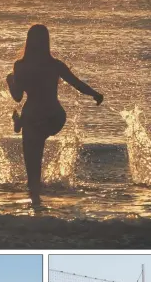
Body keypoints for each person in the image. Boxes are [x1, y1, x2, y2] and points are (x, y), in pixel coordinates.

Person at [7, 24, 103, 205]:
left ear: (28, 41)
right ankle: (38, 208)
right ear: (47, 42)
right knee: (36, 152)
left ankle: (36, 207)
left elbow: (17, 97)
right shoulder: (54, 65)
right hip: (54, 116)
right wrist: (94, 94)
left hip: (33, 116)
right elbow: (77, 83)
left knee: (33, 170)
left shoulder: (20, 66)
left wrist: (10, 81)